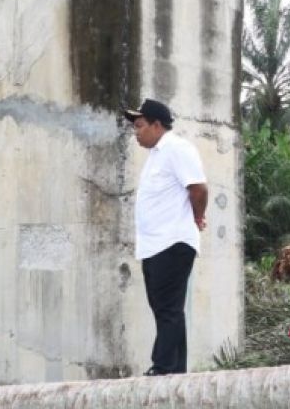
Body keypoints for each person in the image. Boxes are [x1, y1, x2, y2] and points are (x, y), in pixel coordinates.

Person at [125, 98, 208, 376]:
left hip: (172, 243)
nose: (136, 132)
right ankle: (175, 370)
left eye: (139, 126)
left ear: (157, 124)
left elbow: (198, 189)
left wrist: (197, 218)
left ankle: (162, 367)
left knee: (168, 308)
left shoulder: (176, 148)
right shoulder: (157, 155)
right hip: (154, 246)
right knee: (165, 309)